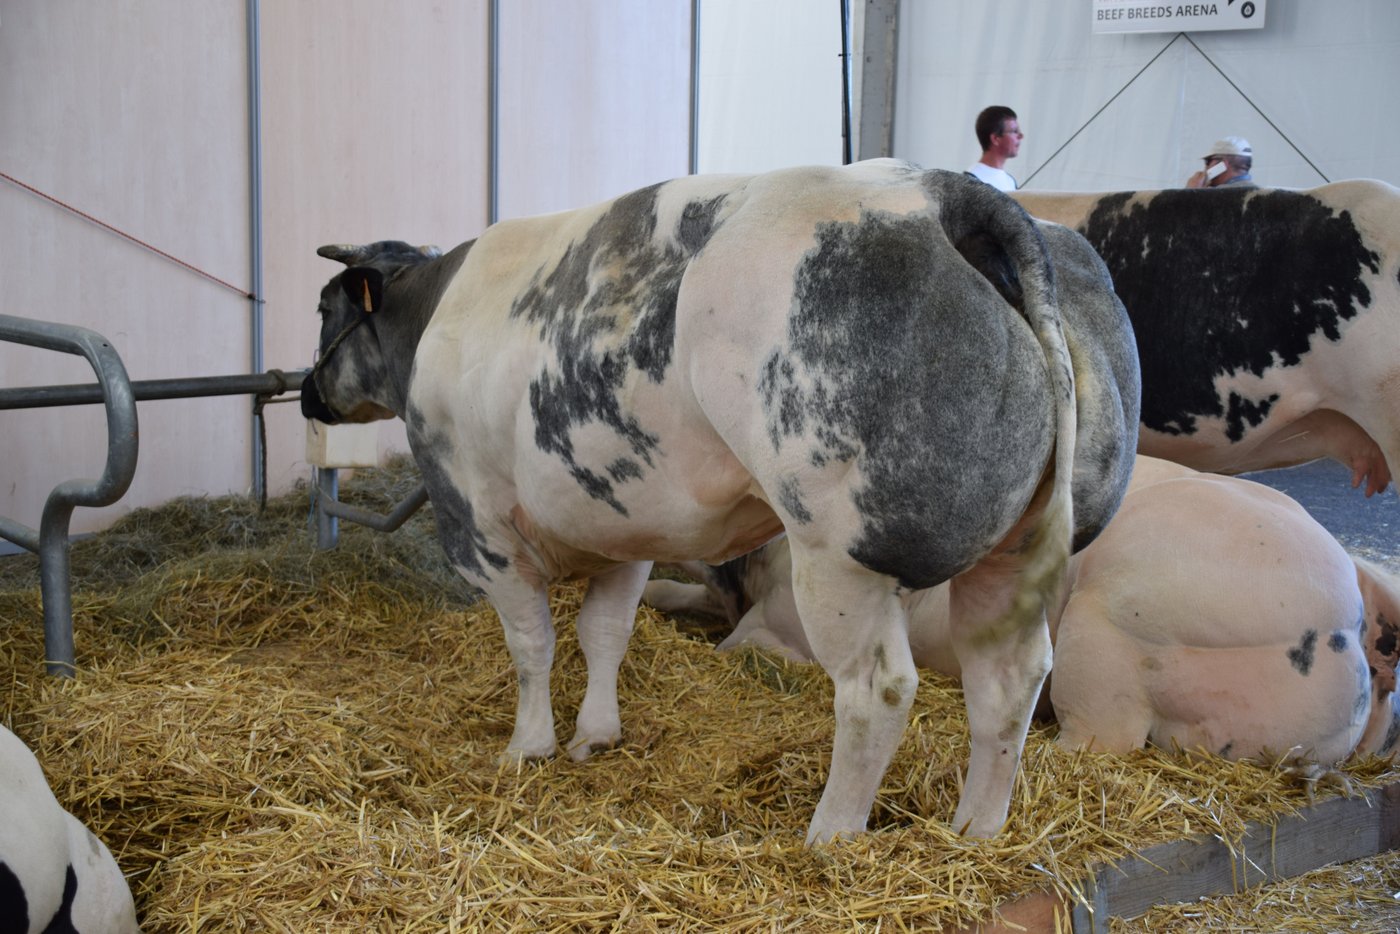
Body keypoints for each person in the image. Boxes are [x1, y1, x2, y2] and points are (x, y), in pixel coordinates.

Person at [965, 106, 1022, 192]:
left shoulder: (1010, 181)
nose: (1020, 136)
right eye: (1014, 131)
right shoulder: (971, 181)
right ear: (995, 139)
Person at [1185, 136, 1256, 188]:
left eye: (1208, 161)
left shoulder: (1216, 197)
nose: (1206, 167)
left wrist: (1191, 192)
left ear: (1221, 164)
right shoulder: (1260, 193)